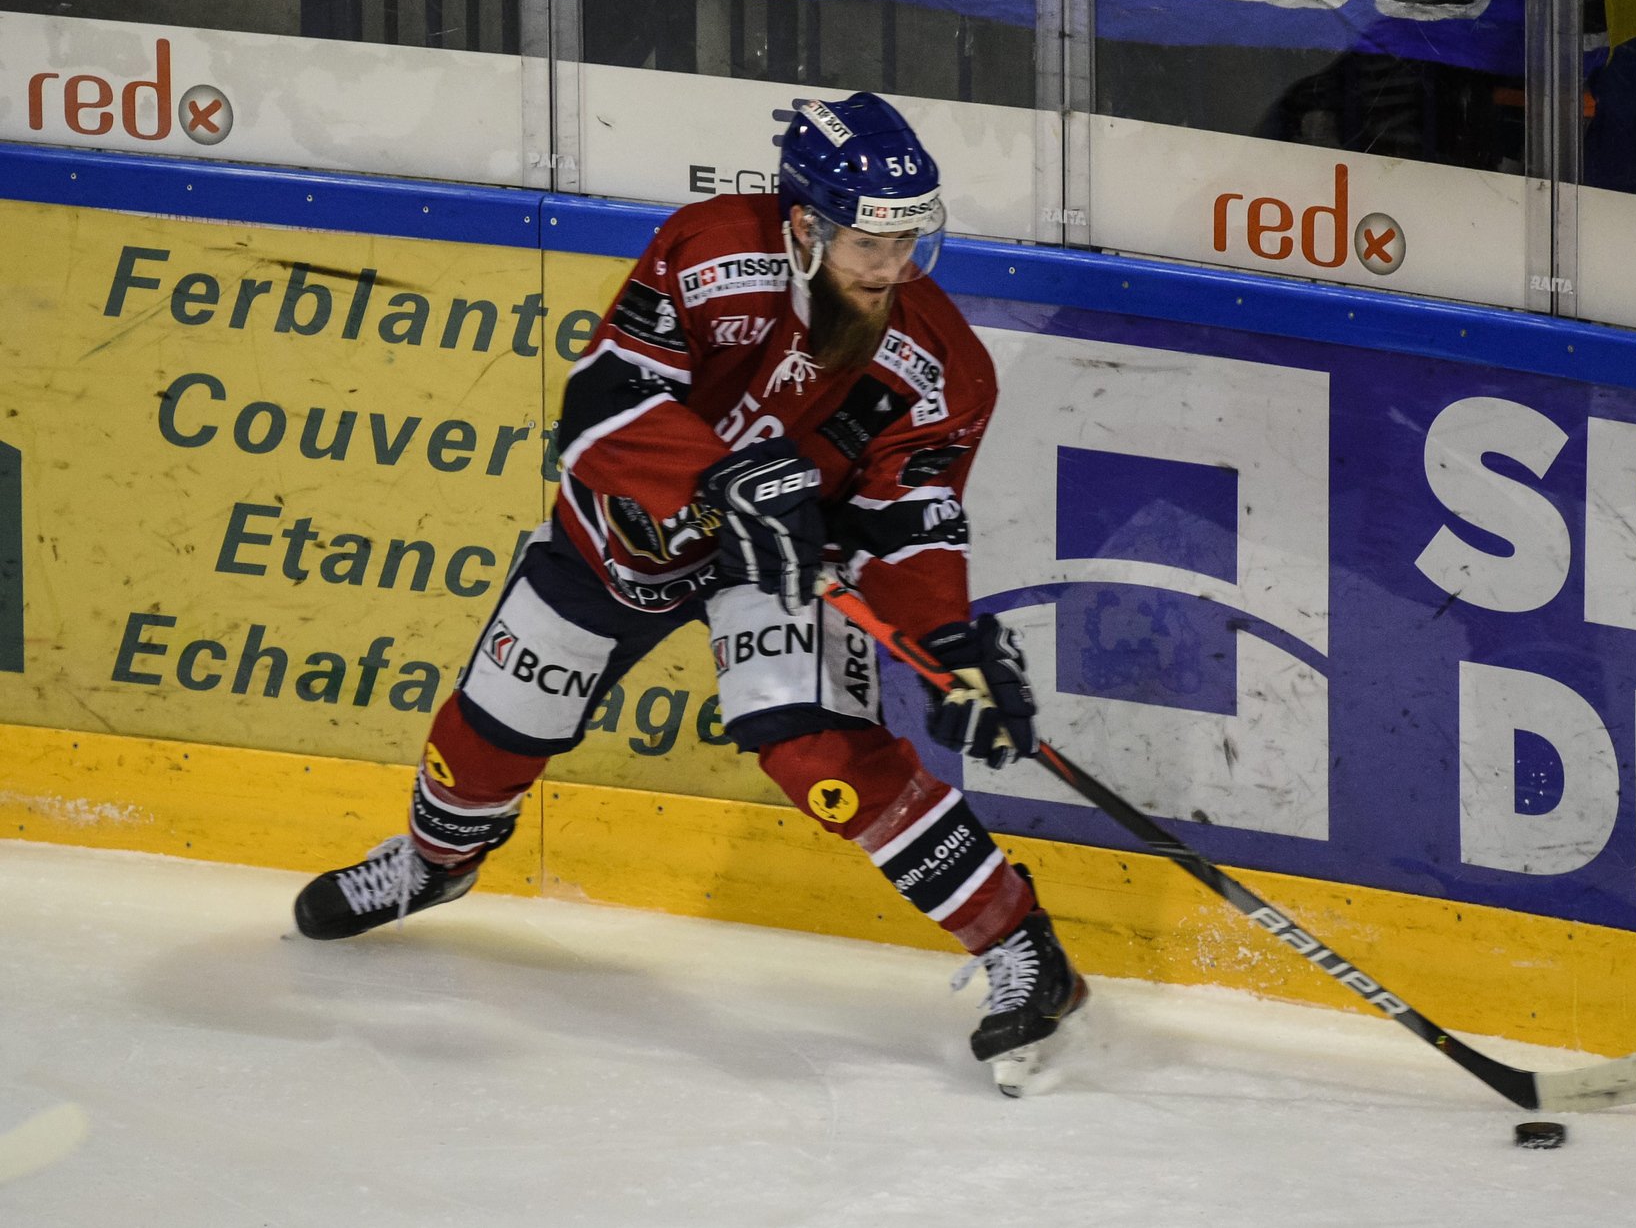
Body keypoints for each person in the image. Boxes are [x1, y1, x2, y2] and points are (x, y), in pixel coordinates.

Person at [291, 92, 1088, 1091]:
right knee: (490, 733)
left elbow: (909, 518)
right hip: (627, 531)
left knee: (821, 755)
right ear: (804, 222)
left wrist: (948, 641)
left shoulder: (941, 366)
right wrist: (715, 476)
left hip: (780, 562)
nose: (891, 271)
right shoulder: (707, 252)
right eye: (867, 245)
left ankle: (1024, 948)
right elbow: (596, 411)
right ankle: (431, 861)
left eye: (907, 245)